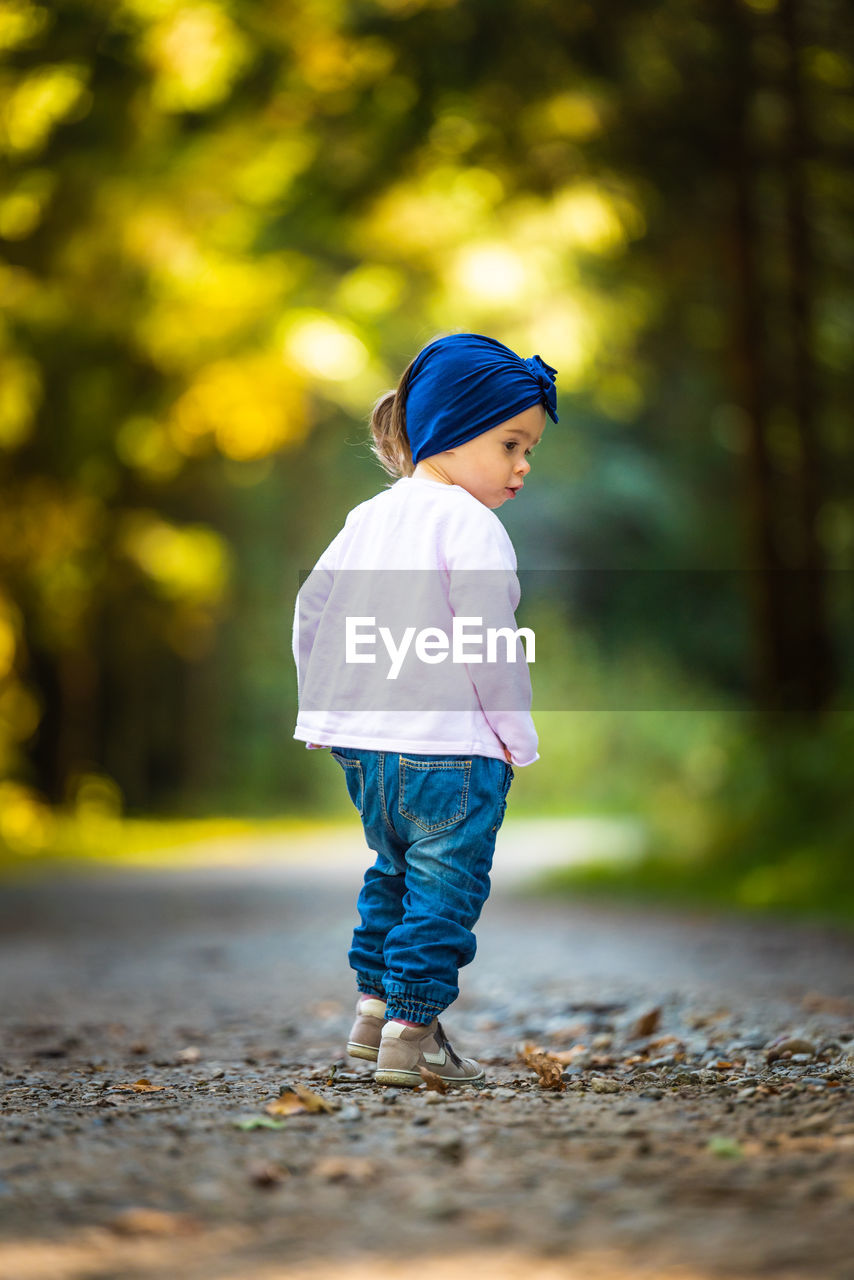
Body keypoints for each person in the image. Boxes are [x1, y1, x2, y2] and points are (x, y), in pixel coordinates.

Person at [292, 332, 558, 1087]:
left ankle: (371, 1019)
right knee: (443, 896)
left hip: (367, 754)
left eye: (528, 448)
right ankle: (413, 1038)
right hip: (452, 753)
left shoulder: (367, 518)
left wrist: (324, 712)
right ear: (452, 426)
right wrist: (517, 738)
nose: (523, 465)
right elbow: (489, 643)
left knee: (392, 878)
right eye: (511, 443)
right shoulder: (472, 526)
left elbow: (311, 613)